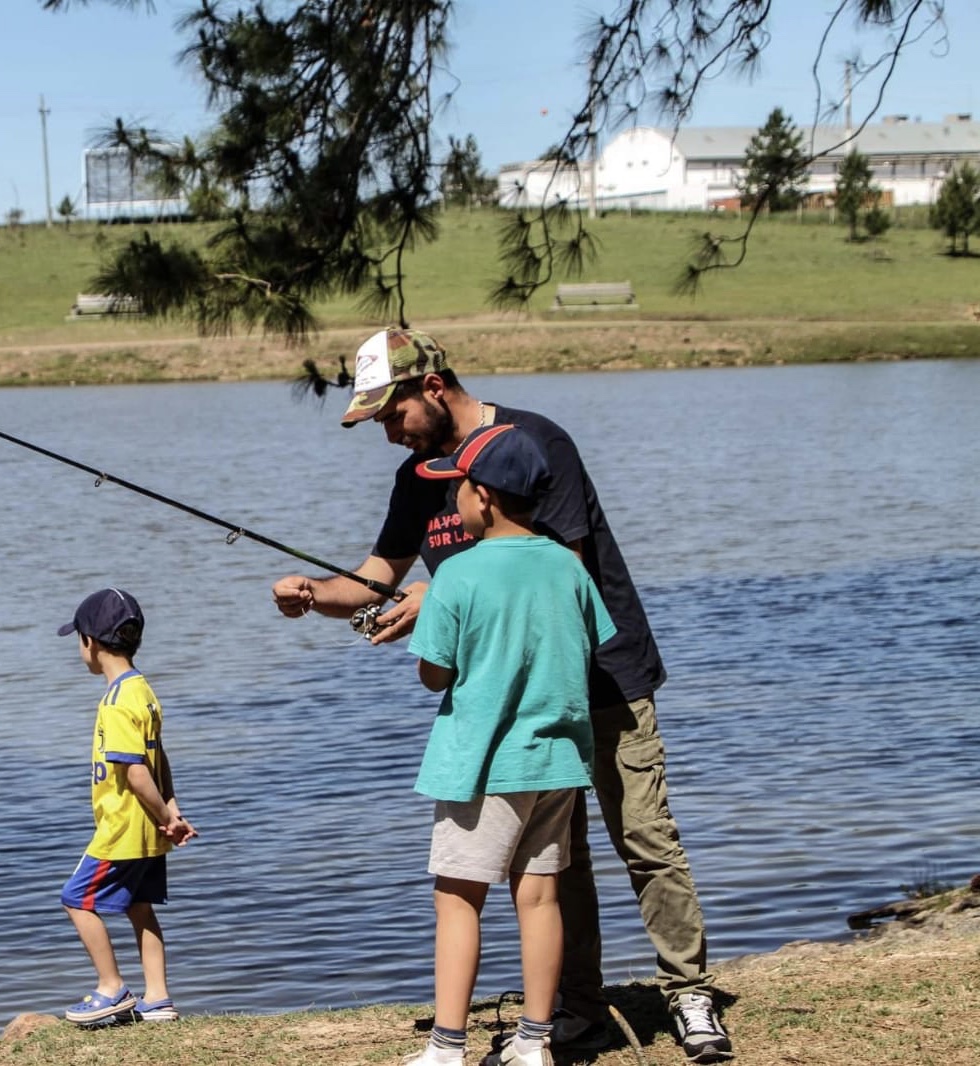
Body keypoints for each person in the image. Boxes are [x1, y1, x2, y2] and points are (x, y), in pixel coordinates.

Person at [271, 328, 733, 1064]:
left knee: (644, 838)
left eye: (392, 415)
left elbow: (557, 566)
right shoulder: (418, 478)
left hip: (601, 680)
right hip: (508, 708)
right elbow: (377, 575)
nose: (389, 434)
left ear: (432, 387)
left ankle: (689, 993)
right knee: (559, 863)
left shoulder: (538, 444)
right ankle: (576, 1008)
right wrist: (315, 595)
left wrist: (446, 592)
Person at [402, 423, 617, 1066]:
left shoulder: (457, 577)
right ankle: (534, 1040)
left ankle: (445, 1048)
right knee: (542, 894)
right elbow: (586, 644)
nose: (453, 504)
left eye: (458, 491)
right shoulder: (568, 567)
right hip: (555, 760)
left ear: (484, 497)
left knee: (457, 898)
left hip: (483, 766)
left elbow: (434, 672)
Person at [56, 586, 197, 1026]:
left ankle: (111, 988)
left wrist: (160, 813)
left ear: (90, 643)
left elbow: (136, 771)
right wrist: (170, 811)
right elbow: (161, 759)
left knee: (76, 899)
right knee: (140, 907)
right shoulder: (144, 692)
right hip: (149, 829)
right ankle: (159, 999)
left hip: (121, 829)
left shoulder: (116, 703)